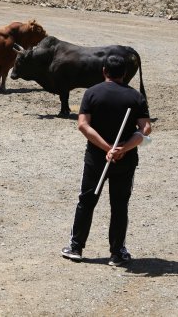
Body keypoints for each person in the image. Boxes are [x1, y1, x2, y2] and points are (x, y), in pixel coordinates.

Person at [61, 54, 152, 266]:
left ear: (104, 71)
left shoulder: (92, 93)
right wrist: (122, 148)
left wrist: (106, 148)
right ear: (125, 74)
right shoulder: (135, 97)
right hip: (125, 159)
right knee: (119, 204)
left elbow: (83, 125)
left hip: (96, 158)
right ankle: (117, 253)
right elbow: (145, 128)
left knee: (87, 200)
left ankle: (76, 247)